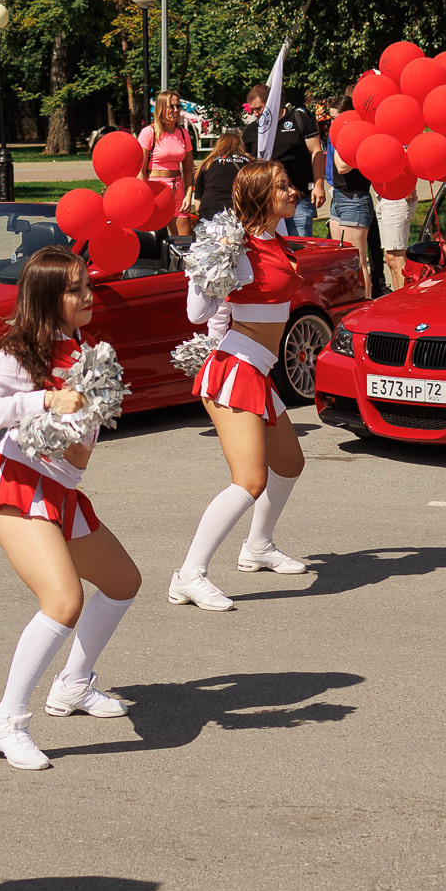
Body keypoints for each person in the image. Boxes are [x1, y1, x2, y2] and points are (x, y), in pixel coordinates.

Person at [0, 247, 145, 769]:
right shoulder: (21, 352)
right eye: (74, 290)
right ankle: (6, 722)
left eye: (88, 285)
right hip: (16, 485)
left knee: (123, 581)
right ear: (46, 297)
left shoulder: (84, 344)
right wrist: (41, 401)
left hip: (61, 490)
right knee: (63, 602)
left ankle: (73, 686)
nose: (87, 296)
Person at [170, 161, 313, 610]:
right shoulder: (239, 247)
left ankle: (257, 547)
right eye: (282, 187)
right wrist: (212, 261)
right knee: (249, 481)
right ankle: (188, 575)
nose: (293, 191)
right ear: (259, 196)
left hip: (260, 370)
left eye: (290, 184)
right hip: (234, 368)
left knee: (289, 463)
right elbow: (197, 312)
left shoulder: (272, 239)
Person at [243, 83, 323, 237]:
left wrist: (319, 184)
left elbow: (316, 151)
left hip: (297, 200)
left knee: (299, 248)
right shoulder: (252, 130)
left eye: (258, 108)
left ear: (273, 102)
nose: (255, 114)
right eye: (252, 109)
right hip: (266, 204)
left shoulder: (299, 120)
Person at [322, 101, 375, 292]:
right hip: (339, 196)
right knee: (342, 262)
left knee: (358, 263)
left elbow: (342, 167)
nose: (332, 123)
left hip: (354, 200)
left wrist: (338, 141)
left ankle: (365, 307)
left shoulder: (357, 135)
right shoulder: (339, 135)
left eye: (336, 118)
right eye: (331, 118)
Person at [139, 92, 195, 238]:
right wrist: (141, 197)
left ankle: (178, 262)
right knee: (152, 238)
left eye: (178, 106)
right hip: (154, 192)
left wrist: (189, 195)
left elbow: (189, 169)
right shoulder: (148, 133)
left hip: (177, 193)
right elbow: (140, 170)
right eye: (171, 106)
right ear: (161, 108)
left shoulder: (183, 134)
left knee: (184, 241)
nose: (176, 110)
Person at [188, 128, 248, 224]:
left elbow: (198, 200)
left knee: (211, 238)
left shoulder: (208, 162)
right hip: (238, 208)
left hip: (210, 208)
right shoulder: (247, 162)